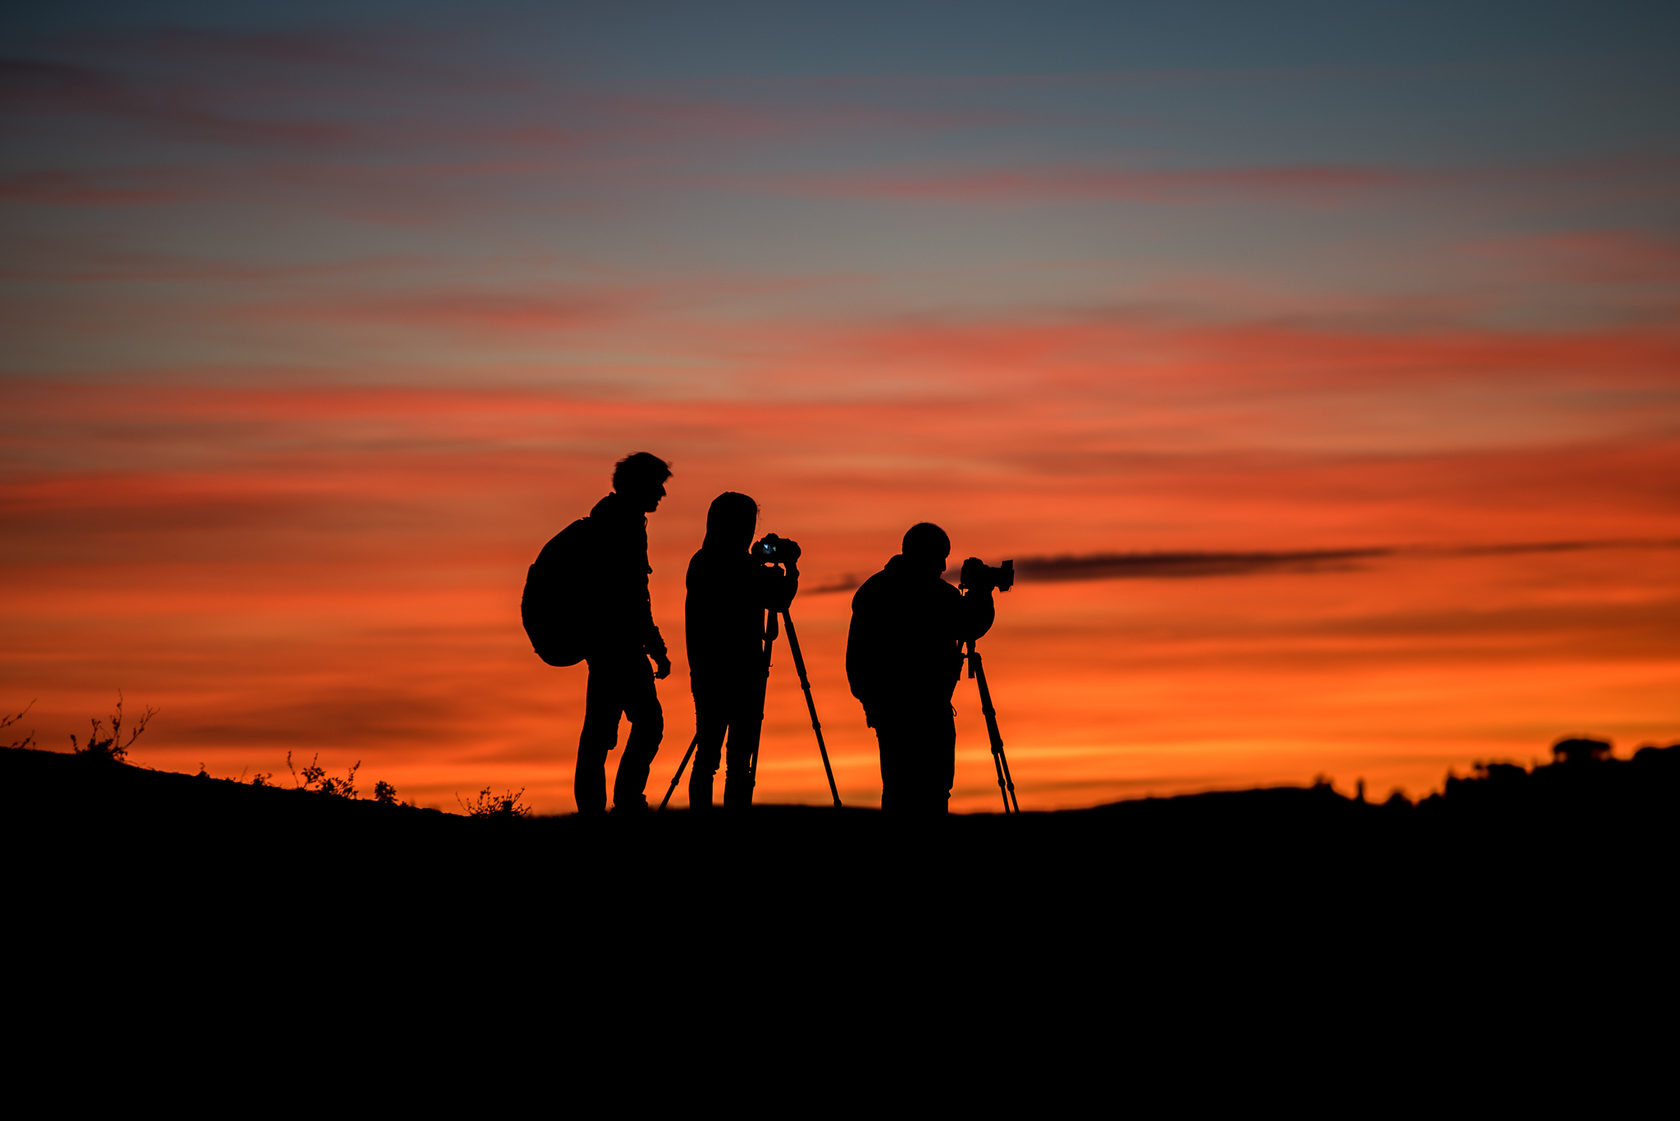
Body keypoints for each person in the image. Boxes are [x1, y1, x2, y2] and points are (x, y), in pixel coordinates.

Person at [846, 523, 994, 814]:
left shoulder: (875, 589)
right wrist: (982, 593)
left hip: (893, 711)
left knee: (900, 790)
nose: (942, 566)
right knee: (930, 791)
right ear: (922, 554)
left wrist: (872, 703)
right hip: (922, 710)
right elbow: (972, 624)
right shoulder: (934, 594)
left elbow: (856, 662)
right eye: (939, 557)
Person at [573, 452, 672, 814]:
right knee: (644, 724)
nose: (661, 493)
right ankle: (624, 802)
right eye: (657, 485)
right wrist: (655, 644)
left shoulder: (615, 520)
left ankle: (601, 807)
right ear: (639, 485)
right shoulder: (621, 526)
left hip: (609, 643)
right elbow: (631, 593)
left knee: (602, 731)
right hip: (618, 644)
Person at [685, 492, 798, 809]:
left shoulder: (702, 561)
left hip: (707, 670)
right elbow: (779, 599)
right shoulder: (738, 566)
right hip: (741, 672)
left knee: (709, 751)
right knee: (734, 757)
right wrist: (790, 568)